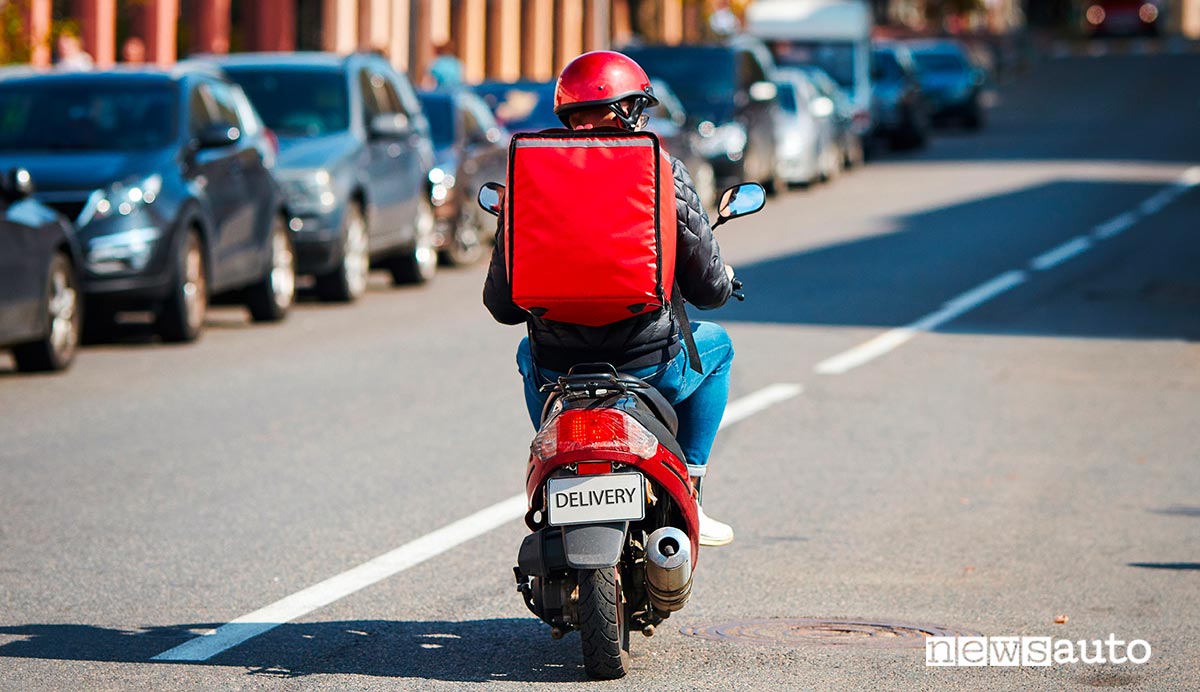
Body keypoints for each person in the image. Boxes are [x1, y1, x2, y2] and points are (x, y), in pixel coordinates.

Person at [483, 51, 737, 547]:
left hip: (560, 368)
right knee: (718, 346)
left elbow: (502, 305)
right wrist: (724, 280)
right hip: (647, 365)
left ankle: (561, 460)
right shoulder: (662, 170)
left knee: (524, 352)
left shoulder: (527, 177)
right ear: (632, 111)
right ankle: (692, 488)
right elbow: (708, 290)